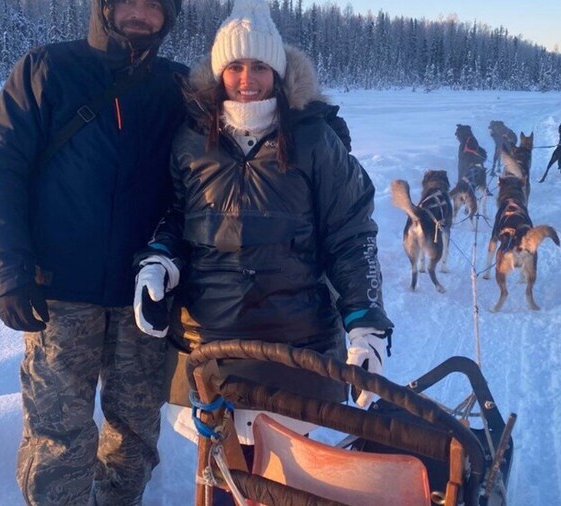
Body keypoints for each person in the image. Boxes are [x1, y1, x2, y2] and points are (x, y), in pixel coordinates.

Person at [132, 0, 393, 497]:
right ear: (218, 72)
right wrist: (159, 261)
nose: (246, 79)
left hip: (296, 347)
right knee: (225, 477)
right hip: (211, 344)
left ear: (277, 71)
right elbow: (175, 216)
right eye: (234, 67)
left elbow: (351, 234)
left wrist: (365, 321)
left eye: (258, 67)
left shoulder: (314, 139)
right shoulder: (191, 140)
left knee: (288, 481)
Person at [0, 0, 187, 503]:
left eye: (154, 5)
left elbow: (246, 111)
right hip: (58, 293)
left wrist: (316, 123)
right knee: (58, 436)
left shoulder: (179, 87)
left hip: (143, 297)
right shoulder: (47, 69)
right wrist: (11, 274)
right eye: (128, 0)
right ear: (104, 6)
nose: (140, 13)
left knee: (133, 432)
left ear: (168, 16)